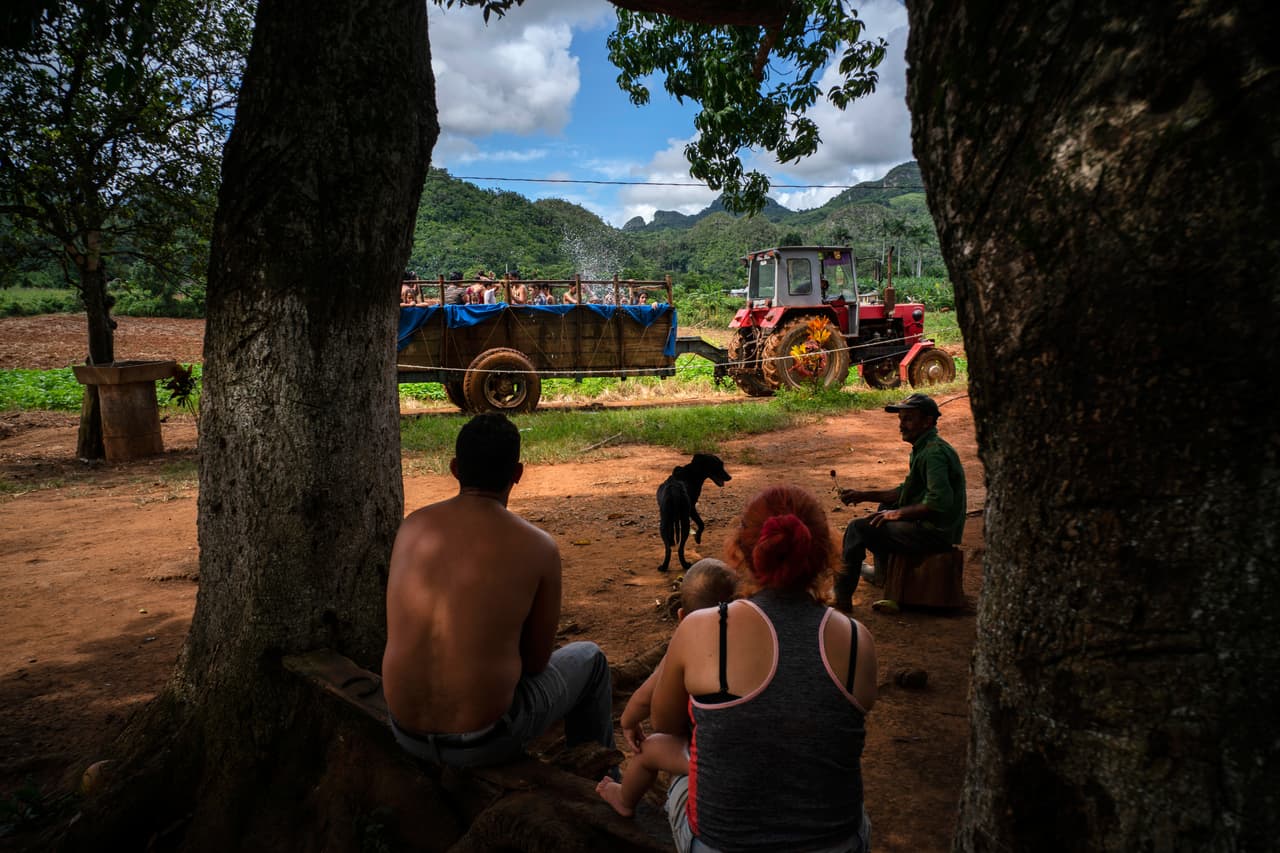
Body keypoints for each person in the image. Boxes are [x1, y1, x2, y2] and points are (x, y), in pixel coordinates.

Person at [649, 485, 877, 853]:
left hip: (721, 844)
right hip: (838, 844)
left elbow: (664, 723)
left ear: (741, 550)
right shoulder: (857, 640)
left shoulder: (702, 628)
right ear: (825, 553)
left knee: (677, 761)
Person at [382, 413, 615, 768]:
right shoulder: (538, 546)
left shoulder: (412, 526)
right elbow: (536, 663)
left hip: (404, 731)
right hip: (481, 741)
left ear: (454, 468)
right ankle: (605, 781)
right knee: (592, 660)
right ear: (517, 473)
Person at [596, 558, 740, 818]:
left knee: (648, 750)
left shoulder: (683, 648)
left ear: (682, 617)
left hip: (711, 757)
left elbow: (643, 700)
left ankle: (624, 799)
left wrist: (628, 722)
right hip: (753, 753)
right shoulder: (753, 645)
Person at [835, 392, 966, 612]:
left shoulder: (933, 454)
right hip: (931, 527)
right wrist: (863, 495)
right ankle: (883, 575)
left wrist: (895, 515)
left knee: (857, 529)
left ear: (927, 421)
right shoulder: (925, 447)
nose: (902, 425)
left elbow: (938, 502)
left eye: (908, 419)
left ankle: (841, 598)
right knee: (884, 508)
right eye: (901, 419)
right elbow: (904, 492)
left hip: (935, 533)